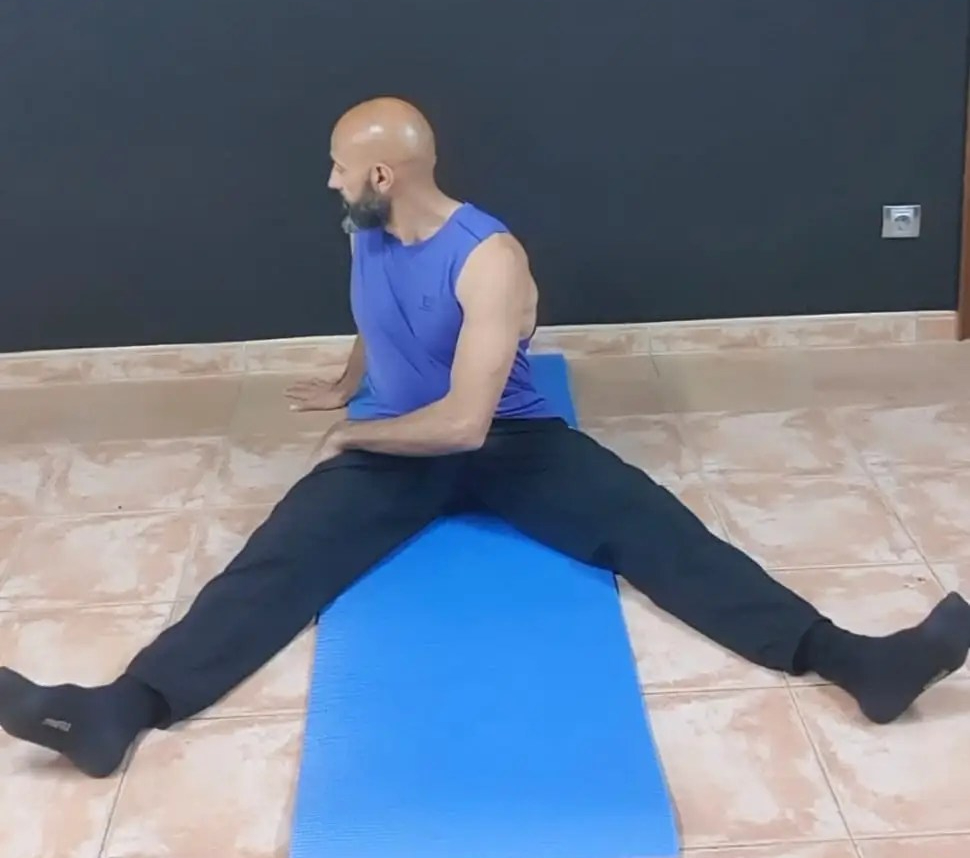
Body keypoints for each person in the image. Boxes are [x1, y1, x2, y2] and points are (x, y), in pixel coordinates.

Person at [2, 97, 969, 779]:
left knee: (663, 534)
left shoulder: (489, 259)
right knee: (275, 564)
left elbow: (465, 421)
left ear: (382, 175)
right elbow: (376, 310)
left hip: (506, 439)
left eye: (339, 165)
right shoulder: (367, 228)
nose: (328, 179)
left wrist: (355, 440)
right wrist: (348, 378)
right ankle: (120, 710)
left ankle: (856, 661)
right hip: (403, 438)